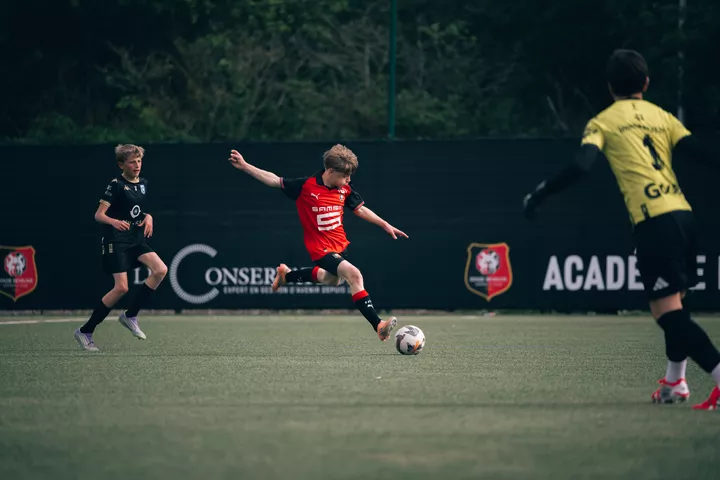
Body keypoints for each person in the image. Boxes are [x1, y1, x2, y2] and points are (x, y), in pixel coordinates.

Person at [522, 49, 720, 410]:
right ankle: (675, 382)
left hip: (654, 222)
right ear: (646, 82)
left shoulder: (604, 121)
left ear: (610, 86)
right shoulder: (663, 116)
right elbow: (701, 153)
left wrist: (541, 193)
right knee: (676, 308)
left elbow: (581, 166)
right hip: (684, 215)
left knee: (667, 314)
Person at [228, 144, 408, 341]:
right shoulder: (306, 186)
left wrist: (385, 224)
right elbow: (274, 180)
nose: (348, 180)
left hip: (339, 245)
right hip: (320, 248)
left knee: (332, 280)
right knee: (354, 275)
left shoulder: (345, 188)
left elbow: (360, 209)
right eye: (345, 176)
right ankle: (378, 325)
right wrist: (245, 166)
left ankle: (287, 276)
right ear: (330, 171)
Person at [74, 144, 168, 351]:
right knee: (121, 288)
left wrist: (148, 217)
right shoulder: (115, 185)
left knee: (161, 270)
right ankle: (85, 331)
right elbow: (99, 215)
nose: (137, 165)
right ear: (121, 165)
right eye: (132, 162)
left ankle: (130, 315)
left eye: (139, 161)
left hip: (135, 239)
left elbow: (136, 211)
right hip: (115, 240)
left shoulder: (142, 184)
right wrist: (114, 222)